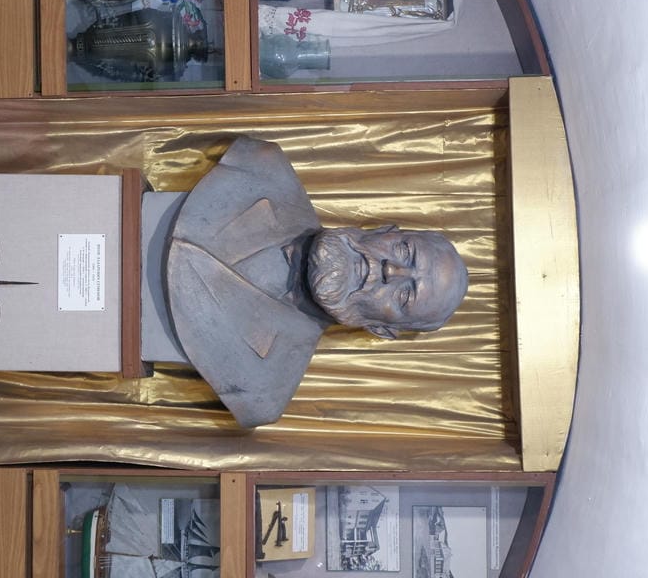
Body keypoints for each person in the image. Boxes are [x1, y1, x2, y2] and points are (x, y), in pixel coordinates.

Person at [166, 137, 468, 427]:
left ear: (380, 329)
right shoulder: (262, 165)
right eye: (405, 251)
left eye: (404, 297)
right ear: (384, 229)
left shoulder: (263, 390)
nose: (392, 271)